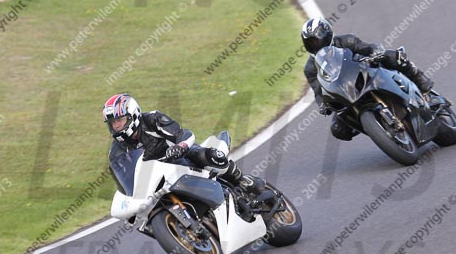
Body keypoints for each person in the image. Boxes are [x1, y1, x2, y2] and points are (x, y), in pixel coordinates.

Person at [103, 93, 264, 197]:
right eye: (113, 123)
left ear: (133, 115)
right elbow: (124, 180)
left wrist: (180, 147)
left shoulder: (152, 119)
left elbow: (184, 134)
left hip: (180, 157)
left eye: (119, 120)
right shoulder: (116, 151)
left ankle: (243, 181)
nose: (116, 126)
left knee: (208, 156)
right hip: (156, 180)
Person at [301, 17, 433, 141]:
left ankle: (421, 83)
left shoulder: (346, 41)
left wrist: (376, 53)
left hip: (365, 74)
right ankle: (377, 128)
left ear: (328, 35)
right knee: (338, 129)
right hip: (344, 93)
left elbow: (368, 48)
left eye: (317, 40)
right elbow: (318, 90)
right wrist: (323, 105)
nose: (315, 44)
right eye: (310, 42)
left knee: (396, 58)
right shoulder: (310, 68)